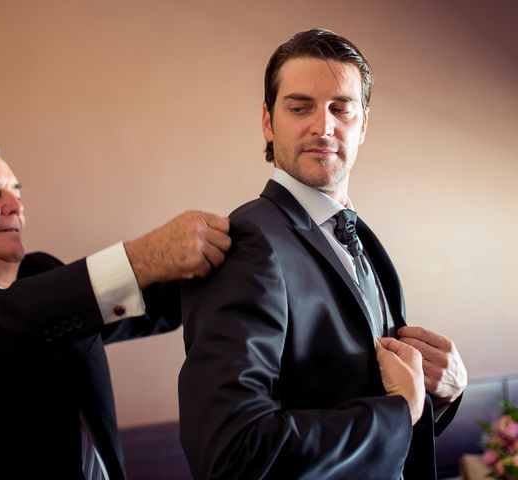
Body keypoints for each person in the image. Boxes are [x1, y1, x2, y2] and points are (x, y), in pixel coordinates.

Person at [179, 29, 467, 479]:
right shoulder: (250, 242)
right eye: (299, 108)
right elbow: (232, 453)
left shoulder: (358, 234)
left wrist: (439, 394)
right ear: (268, 122)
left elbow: (374, 401)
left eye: (341, 108)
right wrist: (397, 412)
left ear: (363, 124)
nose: (323, 127)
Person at [0, 143, 231, 480]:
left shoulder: (39, 275)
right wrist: (139, 258)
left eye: (16, 191)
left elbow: (141, 304)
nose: (16, 204)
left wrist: (237, 255)